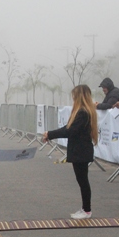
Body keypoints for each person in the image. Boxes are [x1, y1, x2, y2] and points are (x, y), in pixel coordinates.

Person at [42, 85, 98, 219]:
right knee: (82, 180)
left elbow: (69, 131)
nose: (73, 99)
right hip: (79, 150)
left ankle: (87, 210)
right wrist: (50, 134)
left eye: (74, 96)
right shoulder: (83, 112)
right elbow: (68, 128)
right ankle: (85, 208)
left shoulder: (83, 113)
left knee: (83, 181)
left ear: (79, 97)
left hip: (81, 151)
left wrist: (50, 134)